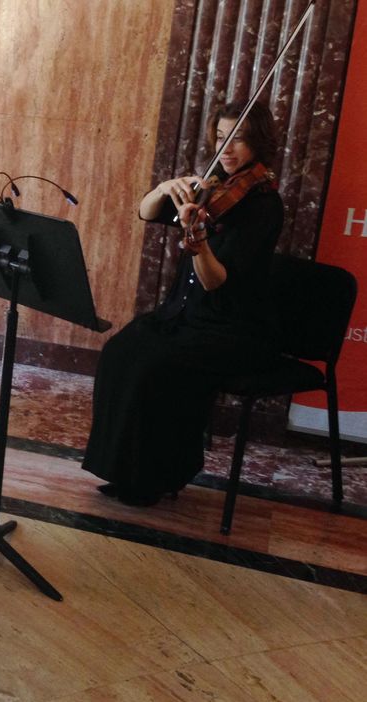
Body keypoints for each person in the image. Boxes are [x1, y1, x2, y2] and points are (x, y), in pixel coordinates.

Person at [82, 100, 284, 507]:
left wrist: (197, 240)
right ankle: (121, 469)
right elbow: (146, 212)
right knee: (121, 351)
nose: (226, 149)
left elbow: (214, 281)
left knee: (156, 368)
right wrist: (162, 190)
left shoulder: (264, 206)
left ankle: (155, 477)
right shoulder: (210, 187)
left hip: (230, 327)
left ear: (258, 144)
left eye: (238, 140)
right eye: (221, 137)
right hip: (185, 314)